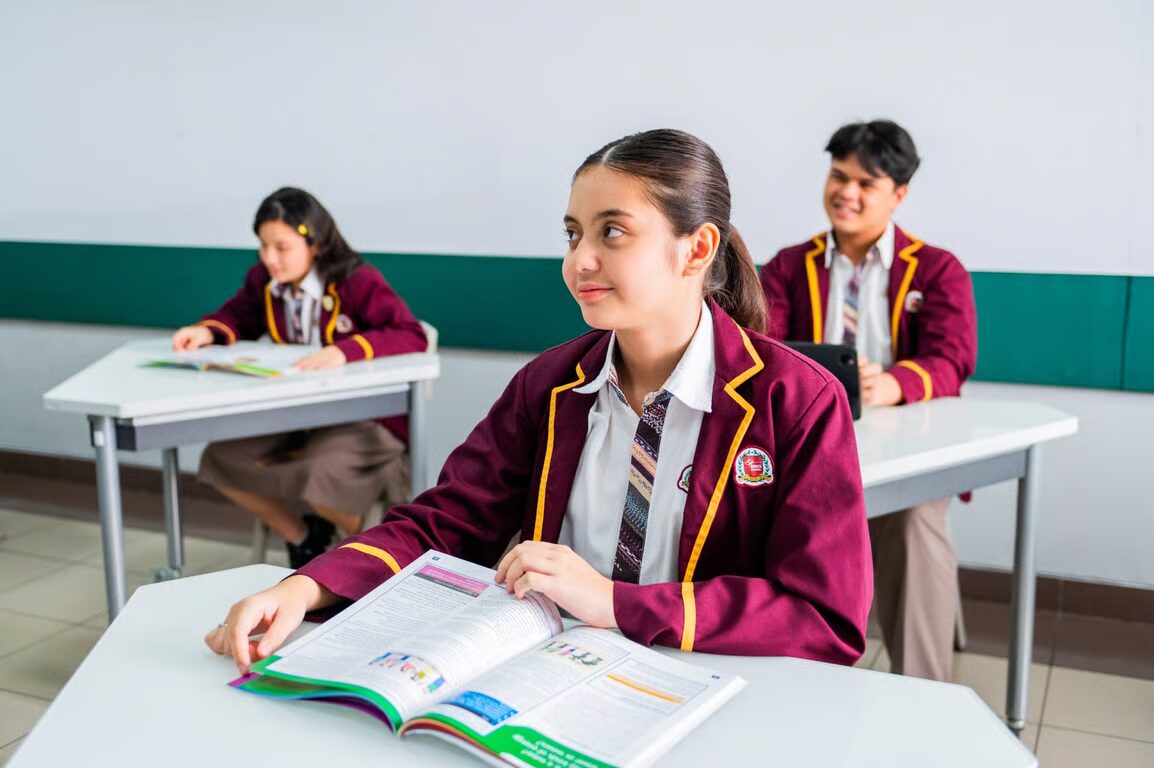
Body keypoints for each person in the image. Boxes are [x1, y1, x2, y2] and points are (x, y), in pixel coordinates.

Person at [205, 130, 872, 674]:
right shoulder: (550, 385)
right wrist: (307, 586)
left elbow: (824, 616)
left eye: (613, 232)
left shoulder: (796, 401)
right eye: (573, 233)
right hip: (551, 676)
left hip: (709, 689)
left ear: (696, 248)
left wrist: (617, 603)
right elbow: (444, 523)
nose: (579, 260)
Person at [760, 120, 978, 681]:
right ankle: (799, 674)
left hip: (906, 443)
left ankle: (923, 690)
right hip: (814, 441)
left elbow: (952, 357)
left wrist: (896, 384)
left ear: (898, 194)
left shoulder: (938, 269)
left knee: (913, 518)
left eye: (866, 183)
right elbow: (763, 346)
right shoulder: (789, 265)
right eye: (838, 176)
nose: (846, 193)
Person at [172, 187, 427, 567]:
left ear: (315, 242)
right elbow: (238, 315)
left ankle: (370, 549)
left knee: (319, 472)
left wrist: (345, 350)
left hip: (358, 418)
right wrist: (208, 331)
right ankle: (305, 538)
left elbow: (410, 333)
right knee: (220, 458)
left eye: (281, 247)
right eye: (263, 246)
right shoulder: (264, 281)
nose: (269, 258)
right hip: (294, 415)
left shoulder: (357, 281)